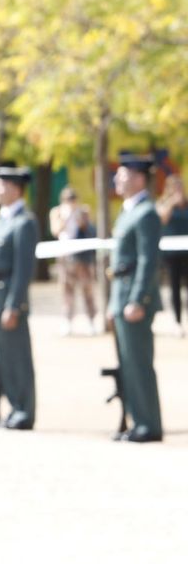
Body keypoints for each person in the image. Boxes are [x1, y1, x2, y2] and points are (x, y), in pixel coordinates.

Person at [0, 167, 38, 429]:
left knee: (18, 358)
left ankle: (24, 410)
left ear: (14, 188)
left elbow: (23, 270)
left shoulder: (24, 222)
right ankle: (14, 407)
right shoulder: (3, 219)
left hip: (7, 299)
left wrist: (14, 305)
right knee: (5, 357)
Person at [109, 156, 164, 442]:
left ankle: (148, 425)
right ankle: (137, 421)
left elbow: (147, 261)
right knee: (128, 364)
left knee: (139, 363)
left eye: (123, 175)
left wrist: (139, 299)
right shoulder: (128, 211)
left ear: (140, 178)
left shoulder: (146, 213)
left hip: (133, 299)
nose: (117, 180)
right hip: (121, 296)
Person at [50, 187, 98, 335]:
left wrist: (77, 216)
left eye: (72, 199)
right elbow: (55, 230)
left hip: (82, 258)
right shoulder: (57, 212)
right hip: (65, 257)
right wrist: (65, 218)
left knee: (87, 290)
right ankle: (68, 321)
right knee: (66, 291)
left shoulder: (83, 211)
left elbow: (88, 229)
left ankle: (91, 320)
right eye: (67, 199)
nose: (70, 202)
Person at [157, 174, 188, 337]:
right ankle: (177, 321)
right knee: (175, 288)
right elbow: (161, 220)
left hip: (186, 251)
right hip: (172, 254)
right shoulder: (164, 203)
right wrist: (171, 203)